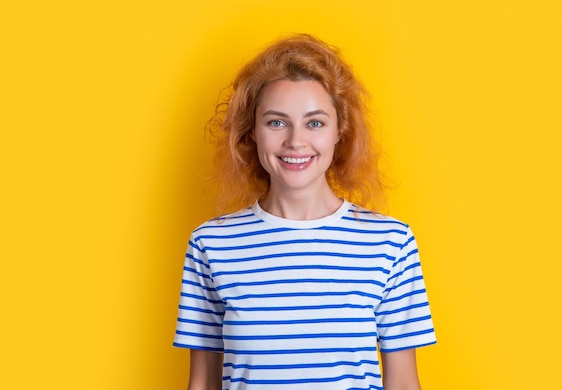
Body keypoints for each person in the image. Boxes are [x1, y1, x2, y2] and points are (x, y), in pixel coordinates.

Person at [174, 34, 436, 390]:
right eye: (276, 122)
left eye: (315, 122)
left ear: (339, 132)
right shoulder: (211, 244)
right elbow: (202, 382)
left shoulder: (390, 243)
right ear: (251, 132)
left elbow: (404, 383)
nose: (296, 141)